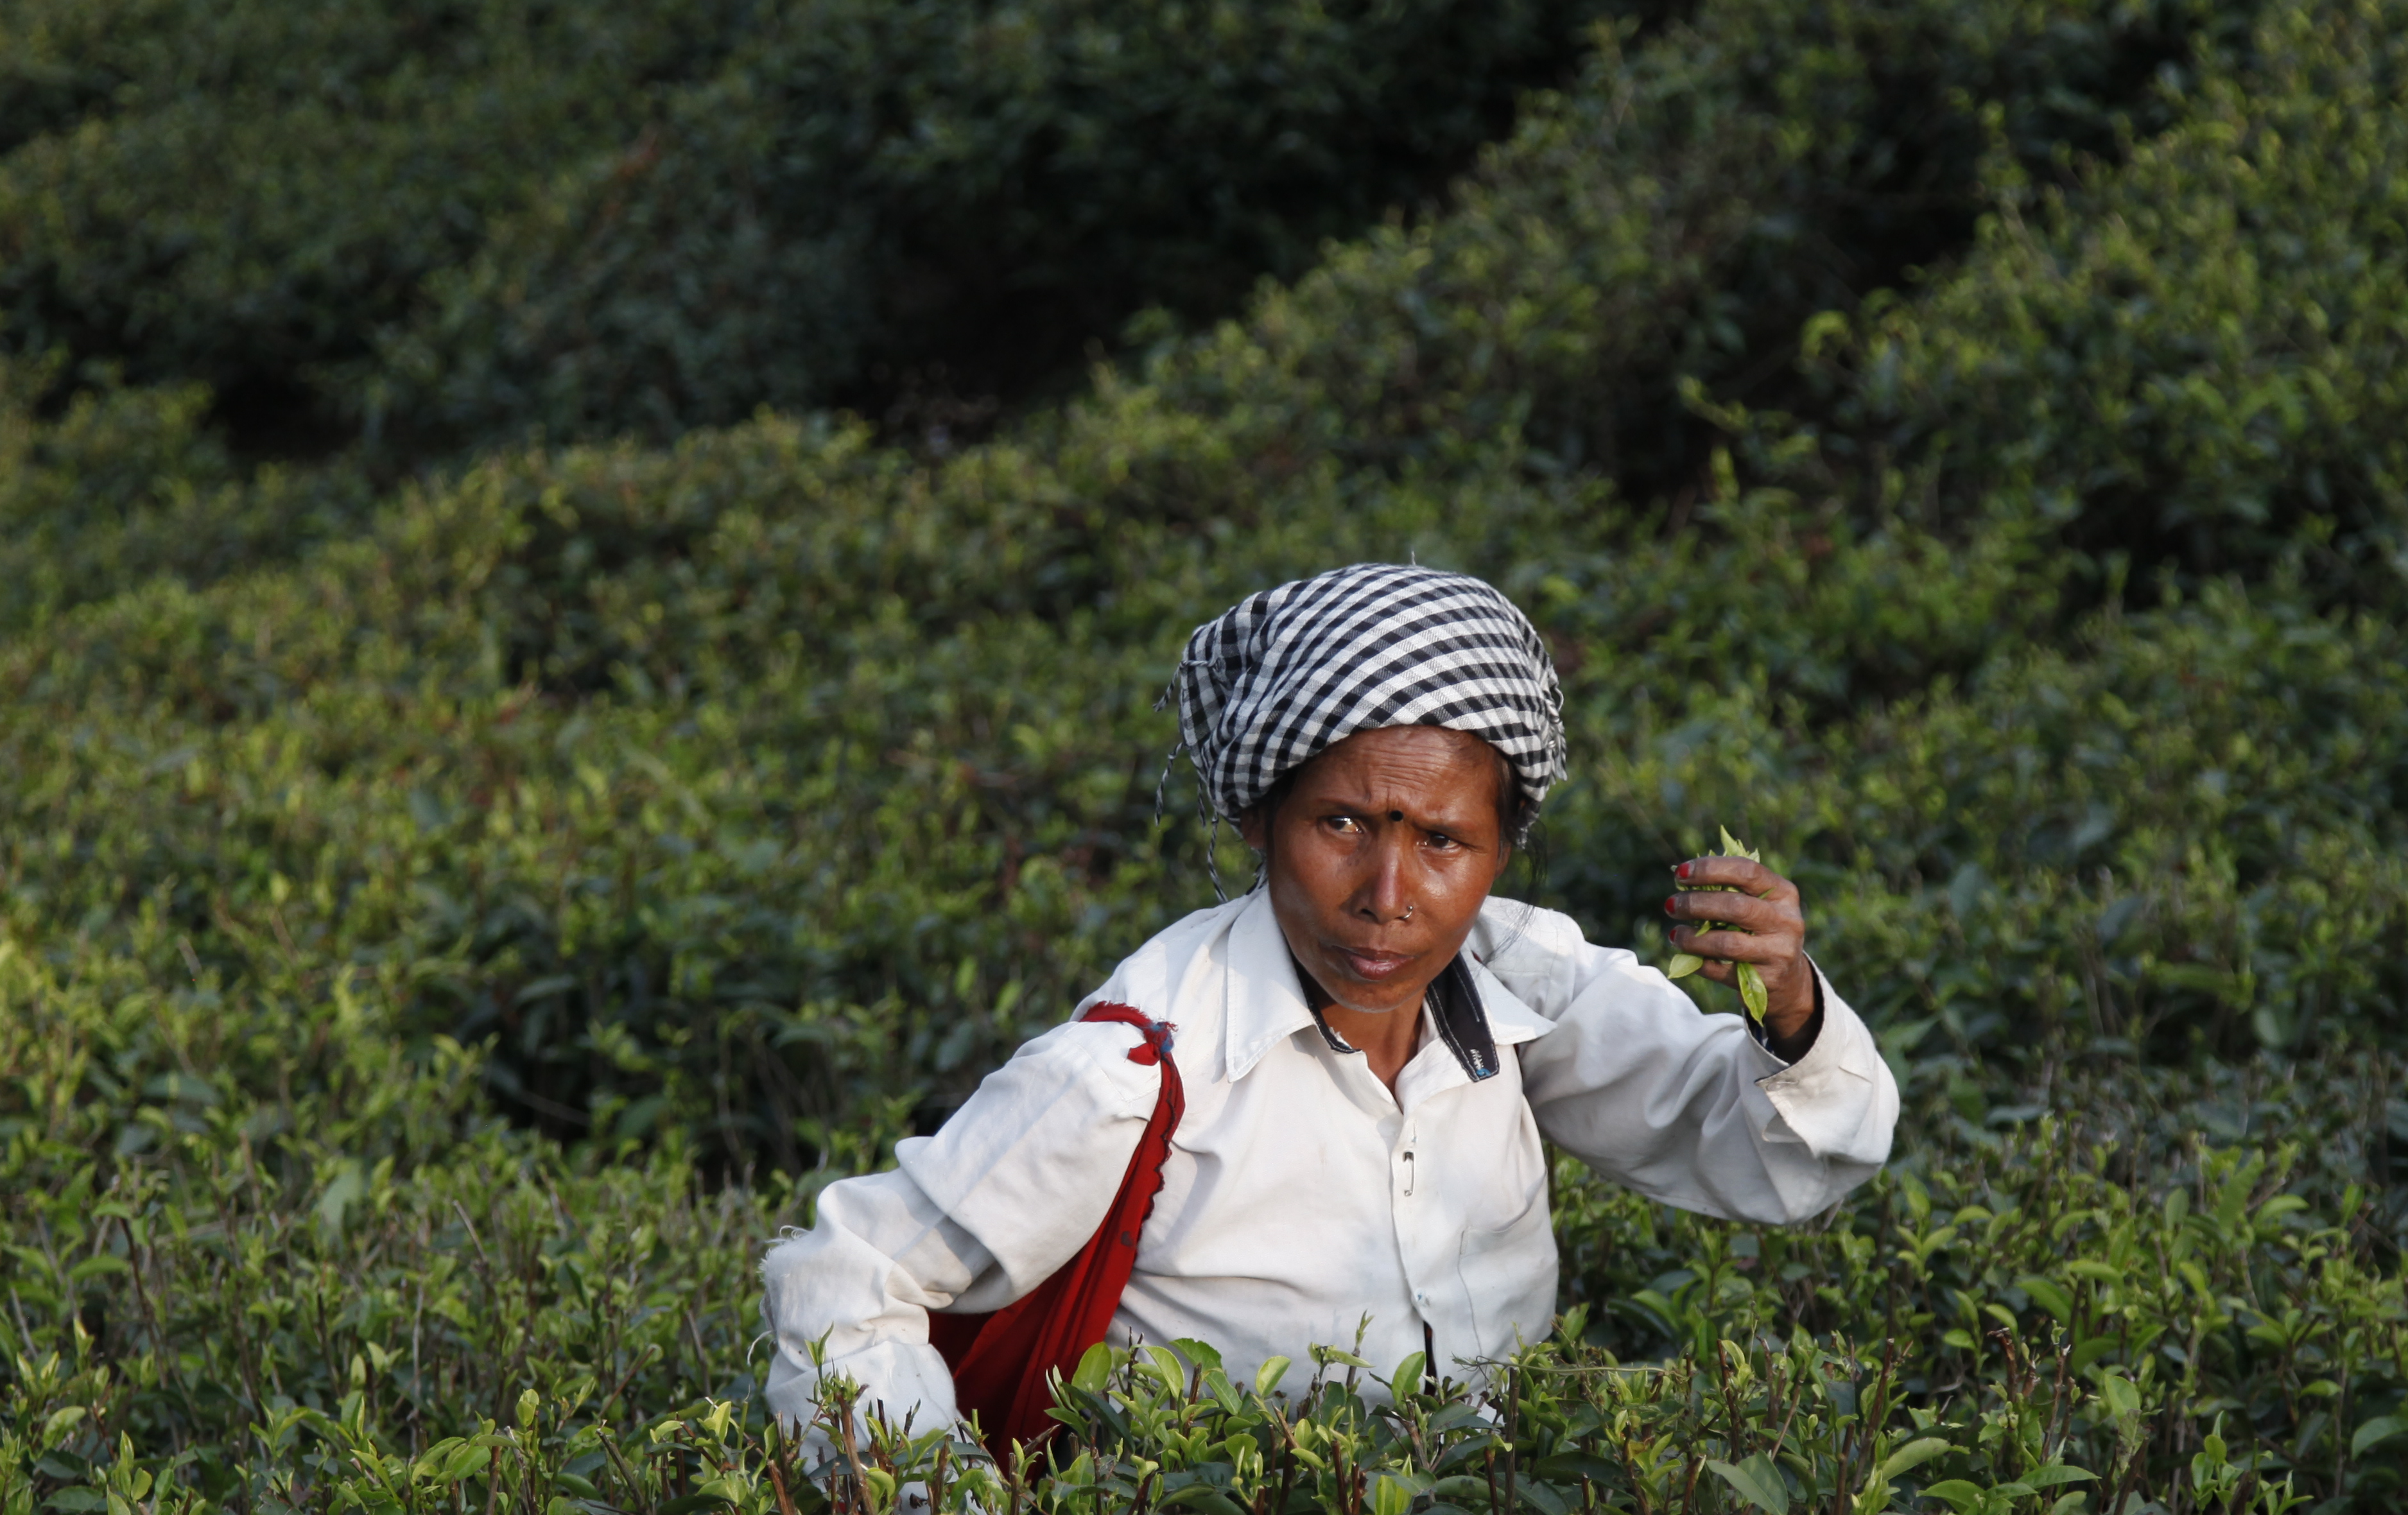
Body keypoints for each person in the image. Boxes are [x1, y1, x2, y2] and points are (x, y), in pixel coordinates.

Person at [761, 561, 1897, 1443]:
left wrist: (1786, 1006)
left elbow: (1784, 1160)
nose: (1388, 898)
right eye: (1342, 824)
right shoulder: (1139, 1067)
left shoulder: (1526, 987)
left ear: (1501, 852)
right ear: (1259, 818)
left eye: (1445, 842)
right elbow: (846, 1271)